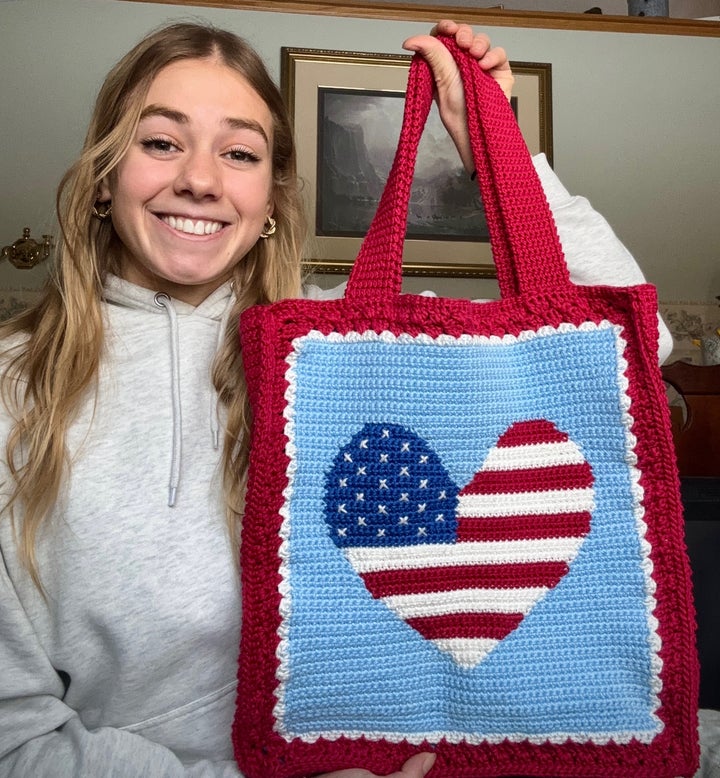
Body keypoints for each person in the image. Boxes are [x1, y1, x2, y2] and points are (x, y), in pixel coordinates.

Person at [0, 16, 678, 778]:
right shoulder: (12, 391)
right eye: (161, 142)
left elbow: (629, 352)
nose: (200, 178)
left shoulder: (343, 351)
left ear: (271, 195)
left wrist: (502, 153)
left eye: (240, 153)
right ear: (101, 174)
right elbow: (15, 733)